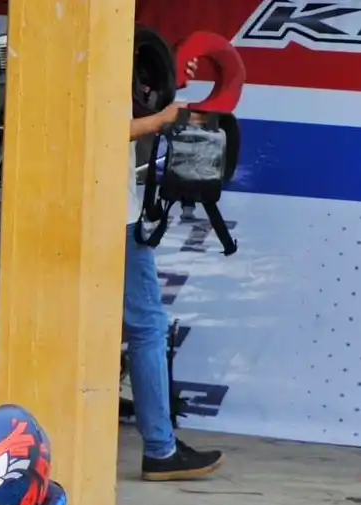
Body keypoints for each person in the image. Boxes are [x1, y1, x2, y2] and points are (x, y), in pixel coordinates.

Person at [125, 58, 224, 481]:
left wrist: (166, 100)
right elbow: (90, 131)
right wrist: (158, 121)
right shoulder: (86, 63)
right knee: (147, 327)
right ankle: (162, 449)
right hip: (109, 220)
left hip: (81, 214)